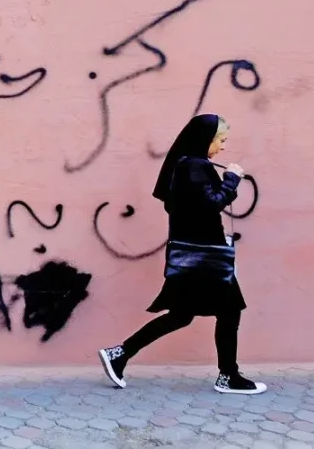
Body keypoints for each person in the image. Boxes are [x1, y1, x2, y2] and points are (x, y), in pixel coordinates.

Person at [97, 114, 266, 395]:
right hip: (205, 257)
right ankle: (228, 376)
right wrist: (231, 180)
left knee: (182, 315)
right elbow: (210, 205)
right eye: (220, 140)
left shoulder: (185, 164)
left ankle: (120, 354)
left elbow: (191, 205)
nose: (223, 147)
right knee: (228, 311)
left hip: (194, 255)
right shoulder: (195, 166)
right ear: (205, 139)